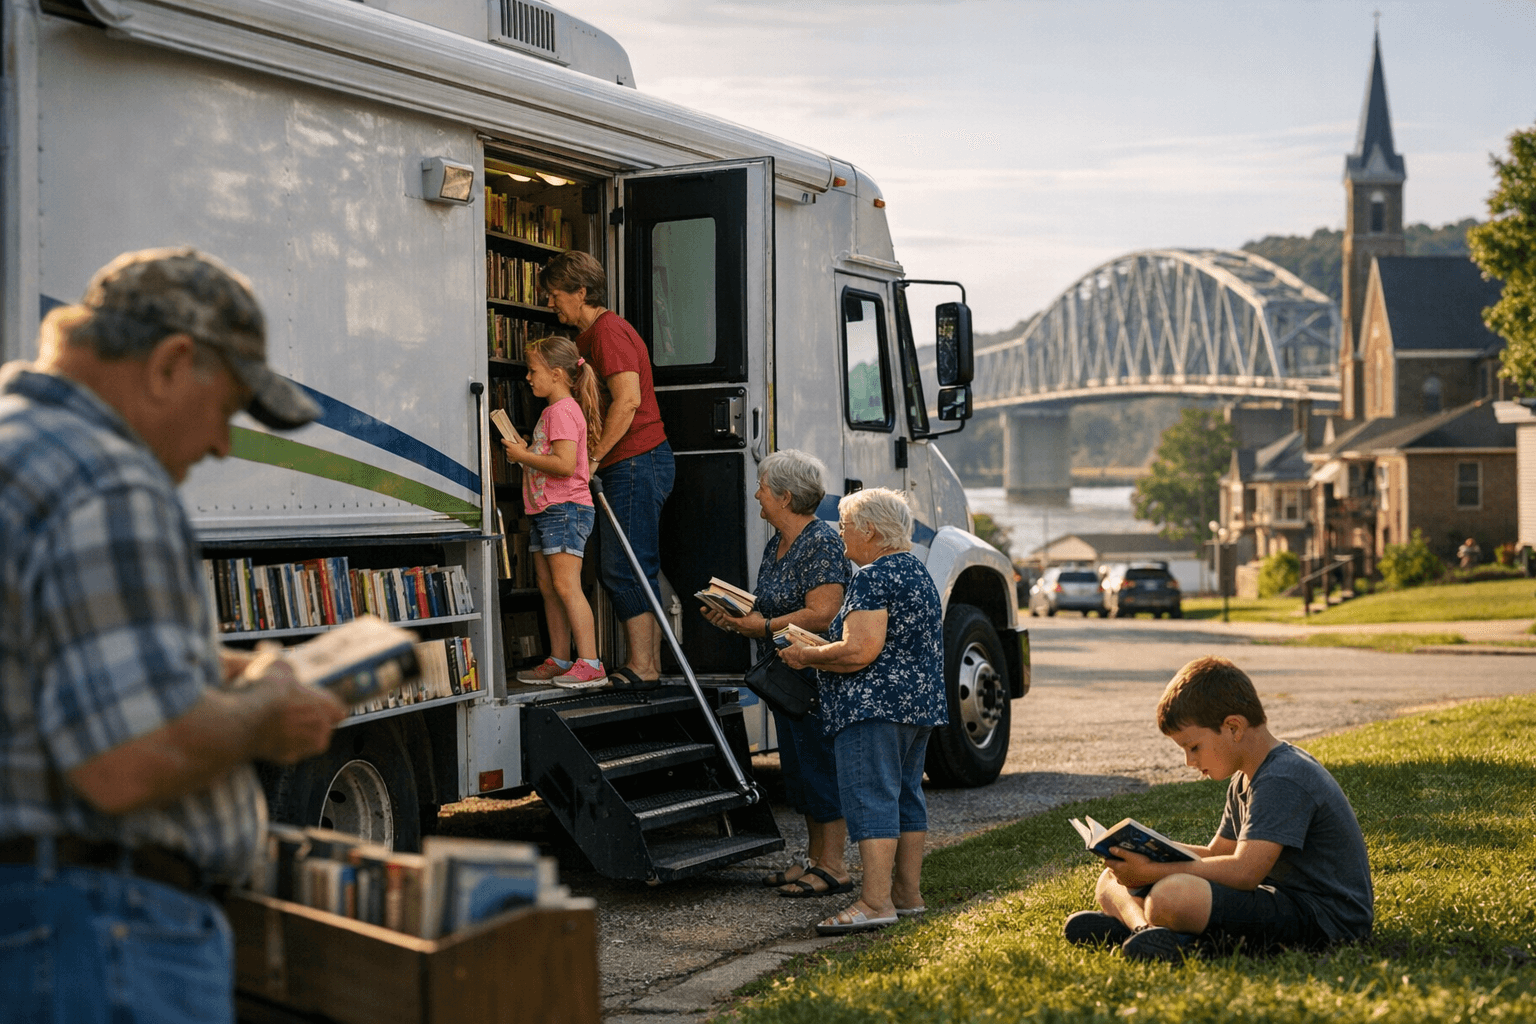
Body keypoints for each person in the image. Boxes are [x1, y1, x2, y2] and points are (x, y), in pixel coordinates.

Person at [0, 247, 348, 1023]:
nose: (224, 445)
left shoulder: (21, 446)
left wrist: (204, 667)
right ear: (170, 362)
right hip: (101, 934)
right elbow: (128, 762)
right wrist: (264, 712)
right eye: (225, 409)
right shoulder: (109, 478)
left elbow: (44, 665)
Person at [1063, 655, 1374, 962]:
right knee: (1111, 878)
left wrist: (1153, 871)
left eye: (1193, 747)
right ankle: (1145, 931)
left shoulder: (1283, 777)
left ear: (1233, 727)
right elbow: (1216, 855)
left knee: (1171, 894)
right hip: (1278, 901)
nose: (1189, 761)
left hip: (1324, 920)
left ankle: (1164, 933)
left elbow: (1244, 872)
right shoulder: (1243, 779)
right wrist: (1148, 851)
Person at [779, 488, 946, 935]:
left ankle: (874, 903)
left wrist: (806, 655)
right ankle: (907, 896)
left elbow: (859, 651)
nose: (841, 534)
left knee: (871, 798)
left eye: (846, 526)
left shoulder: (872, 576)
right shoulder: (916, 571)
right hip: (919, 707)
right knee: (906, 798)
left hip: (873, 709)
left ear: (870, 529)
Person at [699, 450, 852, 897]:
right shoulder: (778, 542)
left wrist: (761, 626)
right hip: (787, 675)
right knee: (800, 771)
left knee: (819, 767)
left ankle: (834, 867)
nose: (756, 495)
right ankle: (814, 859)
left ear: (785, 497)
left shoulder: (820, 541)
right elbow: (775, 604)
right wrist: (734, 615)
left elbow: (822, 615)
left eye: (763, 487)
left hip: (814, 674)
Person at [538, 251, 674, 690]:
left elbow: (628, 400)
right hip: (632, 461)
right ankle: (645, 664)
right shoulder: (588, 338)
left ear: (581, 292)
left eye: (556, 295)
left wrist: (592, 457)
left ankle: (644, 666)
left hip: (634, 461)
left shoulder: (608, 332)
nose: (551, 304)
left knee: (625, 566)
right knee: (631, 564)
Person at [503, 336, 608, 689]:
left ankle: (590, 662)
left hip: (564, 509)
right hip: (547, 511)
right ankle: (560, 659)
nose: (529, 378)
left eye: (533, 371)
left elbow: (564, 465)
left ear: (558, 373)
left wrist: (522, 456)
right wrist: (525, 451)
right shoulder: (554, 412)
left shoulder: (561, 411)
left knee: (566, 586)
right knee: (549, 588)